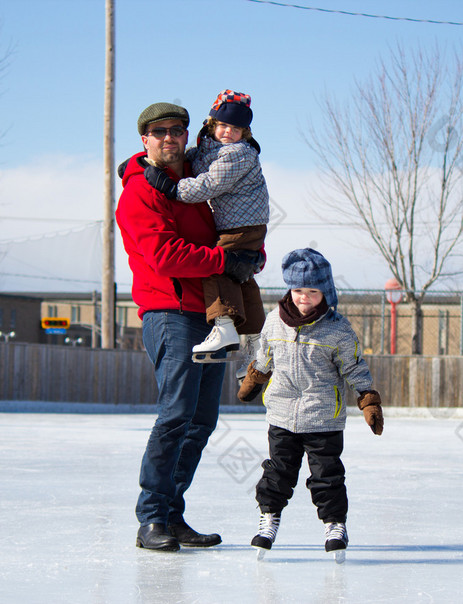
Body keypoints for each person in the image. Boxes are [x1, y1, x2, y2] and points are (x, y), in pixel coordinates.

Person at [115, 102, 263, 552]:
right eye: (158, 132)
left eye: (176, 130)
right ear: (145, 140)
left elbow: (228, 224)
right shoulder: (141, 191)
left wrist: (247, 256)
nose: (168, 138)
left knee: (201, 420)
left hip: (210, 314)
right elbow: (166, 255)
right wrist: (226, 261)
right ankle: (151, 519)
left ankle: (173, 514)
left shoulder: (193, 183)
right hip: (170, 313)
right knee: (177, 414)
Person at [237, 248, 384, 560]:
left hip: (323, 418)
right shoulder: (275, 321)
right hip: (281, 414)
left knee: (327, 475)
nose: (304, 297)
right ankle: (269, 519)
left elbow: (354, 366)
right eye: (298, 290)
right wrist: (255, 378)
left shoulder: (338, 328)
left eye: (312, 291)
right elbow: (265, 355)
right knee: (278, 472)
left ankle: (334, 524)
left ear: (326, 291)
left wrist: (367, 398)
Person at [144, 90, 269, 370]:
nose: (228, 133)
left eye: (236, 129)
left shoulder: (237, 155)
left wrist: (171, 187)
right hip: (238, 223)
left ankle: (224, 326)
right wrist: (139, 162)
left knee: (217, 267)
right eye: (223, 126)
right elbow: (189, 159)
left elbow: (207, 185)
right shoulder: (209, 148)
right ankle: (257, 341)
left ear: (244, 133)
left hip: (242, 225)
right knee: (242, 277)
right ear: (212, 126)